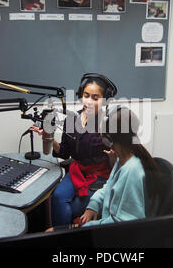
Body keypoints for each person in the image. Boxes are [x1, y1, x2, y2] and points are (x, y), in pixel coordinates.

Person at [31, 74, 117, 227]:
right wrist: (48, 137)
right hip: (77, 171)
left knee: (72, 209)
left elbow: (116, 164)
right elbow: (64, 152)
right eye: (86, 96)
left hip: (100, 176)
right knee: (57, 199)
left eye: (95, 98)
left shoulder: (108, 123)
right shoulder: (71, 118)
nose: (89, 101)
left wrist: (112, 156)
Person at [79, 106, 162, 227]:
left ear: (109, 139)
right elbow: (109, 187)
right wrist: (93, 205)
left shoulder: (133, 171)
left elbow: (125, 223)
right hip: (108, 225)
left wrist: (86, 228)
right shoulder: (121, 159)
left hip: (117, 235)